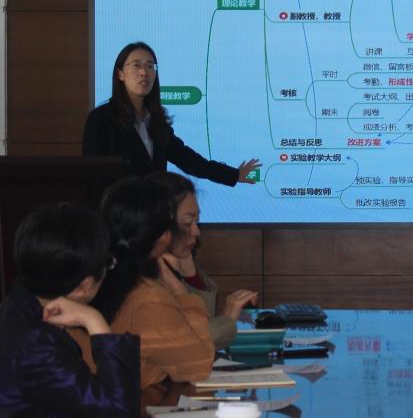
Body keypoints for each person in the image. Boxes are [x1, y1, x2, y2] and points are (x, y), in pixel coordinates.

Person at [0, 203, 140, 416]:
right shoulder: (35, 344)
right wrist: (94, 320)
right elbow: (119, 410)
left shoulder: (18, 307)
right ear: (85, 286)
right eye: (108, 264)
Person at [88, 176, 216, 388]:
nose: (196, 231)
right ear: (164, 235)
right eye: (186, 223)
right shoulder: (147, 297)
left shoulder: (96, 277)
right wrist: (182, 293)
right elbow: (198, 366)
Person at [82, 41, 261, 187]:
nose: (144, 72)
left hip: (154, 215)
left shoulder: (155, 122)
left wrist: (234, 175)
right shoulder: (101, 119)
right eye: (136, 65)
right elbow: (93, 178)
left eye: (150, 66)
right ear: (120, 73)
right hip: (118, 217)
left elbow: (189, 160)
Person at [148, 171, 258, 349]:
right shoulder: (144, 281)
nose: (196, 231)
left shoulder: (171, 266)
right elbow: (191, 344)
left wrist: (190, 273)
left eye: (197, 222)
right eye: (188, 223)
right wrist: (228, 317)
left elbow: (201, 321)